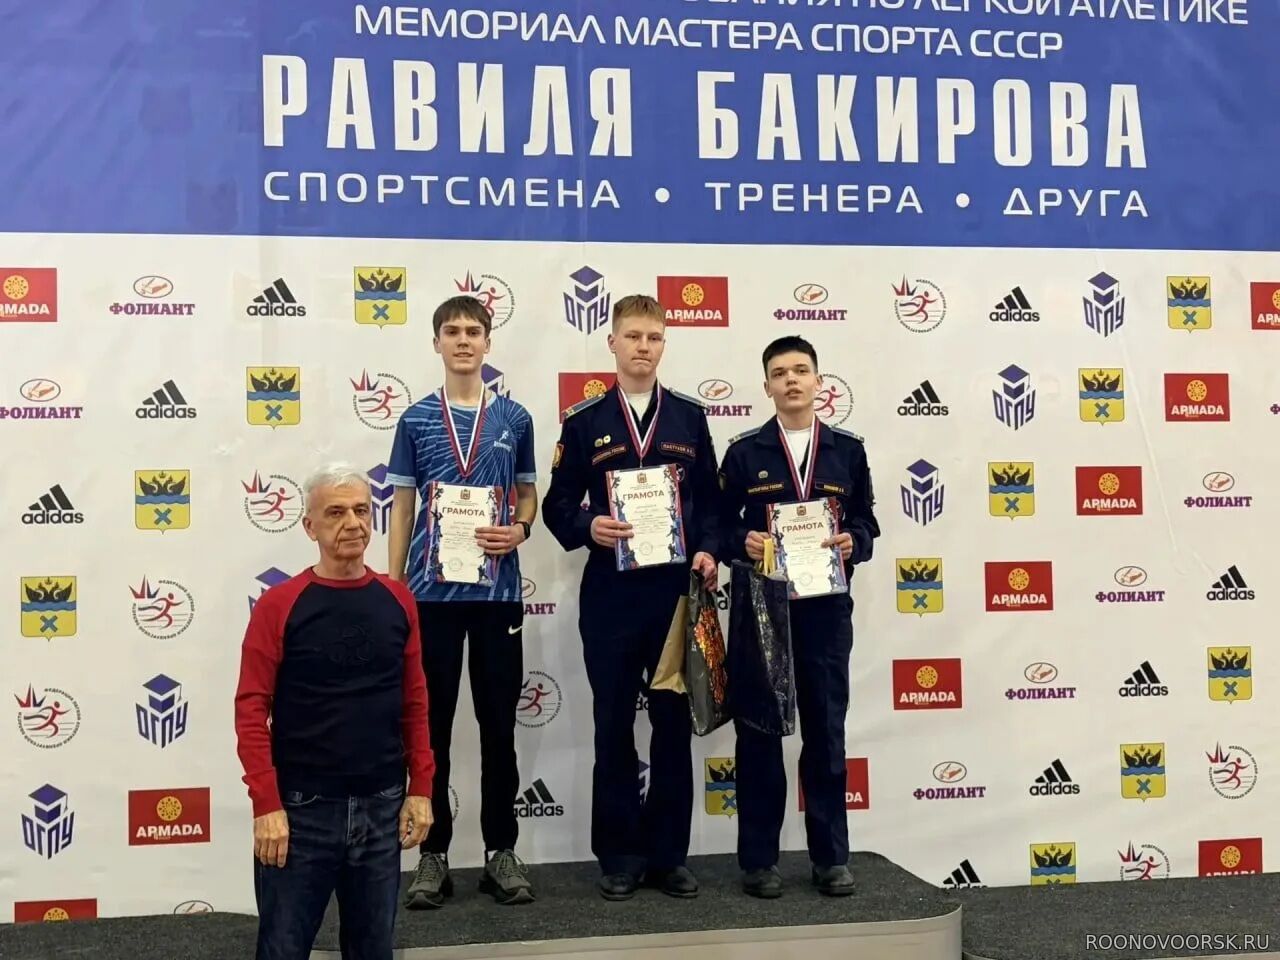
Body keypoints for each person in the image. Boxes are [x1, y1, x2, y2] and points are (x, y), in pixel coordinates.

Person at [542, 293, 720, 901]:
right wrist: (586, 525)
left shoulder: (689, 419)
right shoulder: (584, 421)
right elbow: (556, 504)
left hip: (673, 596)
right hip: (611, 595)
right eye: (634, 336)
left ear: (664, 344)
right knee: (612, 722)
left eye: (654, 337)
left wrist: (708, 550)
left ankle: (669, 856)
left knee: (671, 724)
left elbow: (712, 503)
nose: (644, 347)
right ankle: (619, 855)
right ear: (612, 343)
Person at [234, 463, 434, 960]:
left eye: (362, 511)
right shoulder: (279, 605)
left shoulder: (399, 600)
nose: (353, 523)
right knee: (282, 950)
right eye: (336, 512)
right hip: (300, 812)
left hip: (382, 807)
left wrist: (422, 789)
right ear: (310, 527)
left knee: (373, 950)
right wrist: (266, 804)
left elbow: (415, 702)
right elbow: (251, 708)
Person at [386, 294, 538, 908]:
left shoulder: (515, 418)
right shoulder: (415, 419)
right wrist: (394, 585)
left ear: (488, 343)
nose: (464, 341)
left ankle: (501, 851)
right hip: (431, 596)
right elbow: (402, 505)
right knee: (432, 729)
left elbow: (527, 494)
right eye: (452, 331)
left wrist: (521, 528)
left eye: (474, 331)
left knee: (499, 727)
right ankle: (433, 854)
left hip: (498, 593)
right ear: (437, 343)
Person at [717, 335, 880, 899]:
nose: (791, 380)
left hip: (826, 612)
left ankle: (831, 858)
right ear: (766, 386)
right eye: (780, 372)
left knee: (826, 733)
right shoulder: (744, 452)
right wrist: (743, 538)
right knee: (759, 734)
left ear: (818, 382)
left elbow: (867, 523)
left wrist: (853, 541)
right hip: (763, 610)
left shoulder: (848, 451)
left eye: (801, 370)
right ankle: (759, 861)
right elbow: (717, 524)